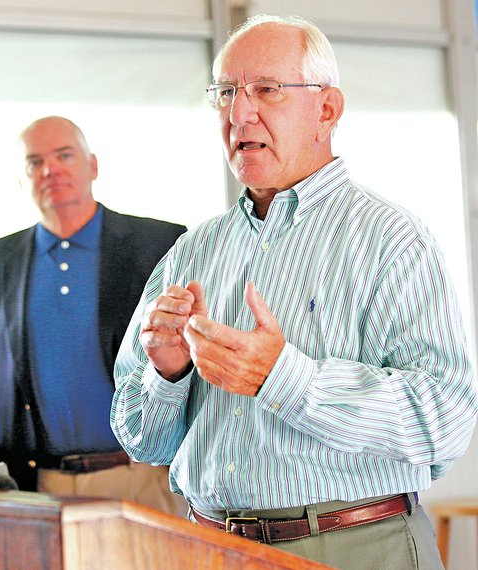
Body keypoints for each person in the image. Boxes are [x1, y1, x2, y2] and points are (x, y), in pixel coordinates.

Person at [110, 14, 477, 569]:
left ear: (326, 110)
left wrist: (284, 378)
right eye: (226, 92)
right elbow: (143, 442)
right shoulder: (190, 253)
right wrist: (166, 374)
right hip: (208, 548)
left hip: (356, 547)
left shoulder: (391, 239)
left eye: (266, 90)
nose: (239, 113)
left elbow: (444, 422)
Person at [0, 116, 187, 514]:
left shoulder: (160, 244)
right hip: (38, 487)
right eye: (34, 162)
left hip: (144, 477)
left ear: (92, 165)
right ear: (21, 179)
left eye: (64, 155)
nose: (50, 170)